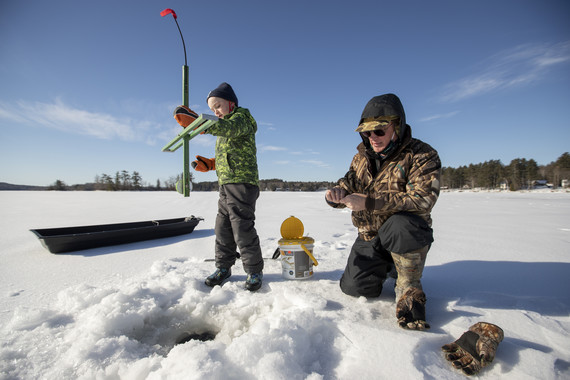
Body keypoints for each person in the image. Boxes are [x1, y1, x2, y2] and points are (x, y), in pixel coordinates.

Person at [325, 93, 441, 330]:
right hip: (369, 234)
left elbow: (422, 199)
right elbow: (348, 183)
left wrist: (369, 203)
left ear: (396, 126)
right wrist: (336, 195)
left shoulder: (422, 155)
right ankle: (388, 266)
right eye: (367, 133)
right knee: (354, 288)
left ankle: (408, 285)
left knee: (400, 225)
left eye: (379, 131)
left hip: (406, 233)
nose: (372, 138)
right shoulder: (360, 158)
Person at [193, 82, 264, 291]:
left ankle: (254, 270)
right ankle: (223, 267)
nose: (215, 112)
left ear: (231, 103)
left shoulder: (242, 118)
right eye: (212, 109)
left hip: (242, 183)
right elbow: (230, 154)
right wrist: (212, 164)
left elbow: (231, 128)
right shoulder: (224, 128)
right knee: (222, 228)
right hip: (225, 184)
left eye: (218, 106)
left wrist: (202, 124)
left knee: (241, 227)